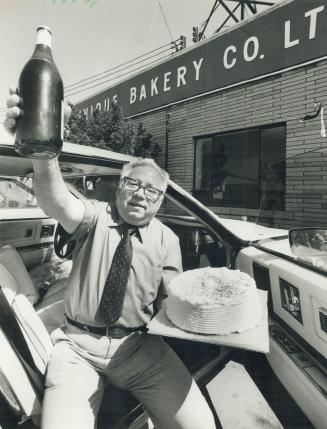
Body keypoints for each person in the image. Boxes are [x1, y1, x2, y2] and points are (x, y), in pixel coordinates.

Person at [5, 88, 216, 429]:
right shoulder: (93, 216)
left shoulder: (168, 239)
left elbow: (175, 296)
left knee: (200, 425)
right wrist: (44, 149)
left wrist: (205, 304)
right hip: (76, 347)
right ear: (119, 188)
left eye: (152, 191)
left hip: (139, 349)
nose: (140, 195)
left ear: (160, 202)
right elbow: (55, 200)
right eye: (132, 184)